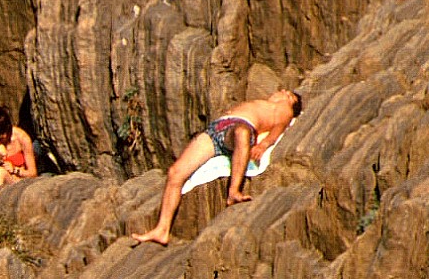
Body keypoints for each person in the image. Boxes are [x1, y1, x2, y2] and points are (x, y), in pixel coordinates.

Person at [130, 89, 303, 245]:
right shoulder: (262, 103)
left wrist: (263, 145)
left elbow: (279, 127)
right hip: (217, 129)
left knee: (242, 133)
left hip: (240, 127)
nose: (282, 91)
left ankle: (234, 192)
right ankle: (162, 229)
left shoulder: (283, 108)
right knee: (175, 172)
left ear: (290, 100)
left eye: (288, 93)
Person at [0, 104, 38, 189]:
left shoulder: (22, 138)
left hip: (16, 180)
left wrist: (14, 169)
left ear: (8, 129)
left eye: (0, 136)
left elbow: (33, 173)